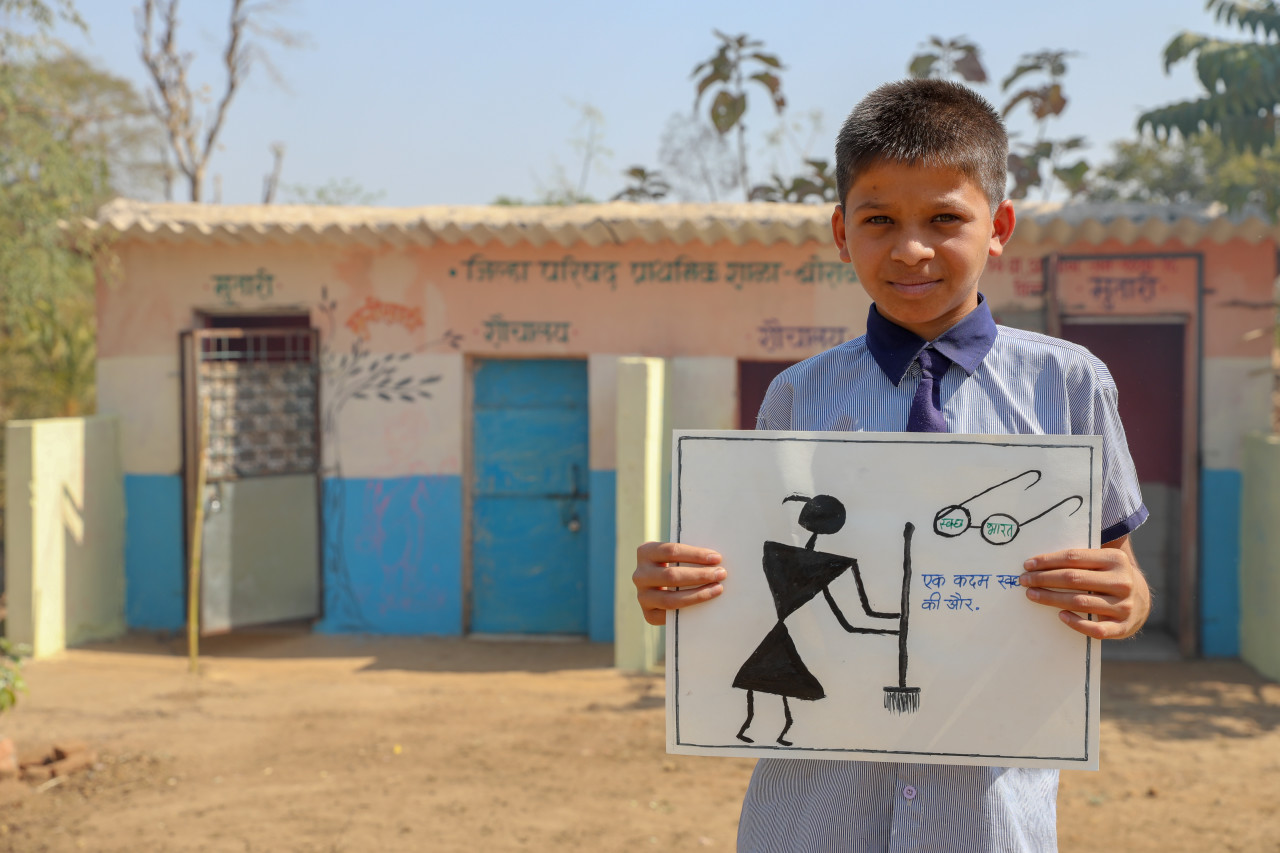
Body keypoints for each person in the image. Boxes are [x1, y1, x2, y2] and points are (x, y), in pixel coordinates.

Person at [633, 78, 1151, 853]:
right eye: (880, 220)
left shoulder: (1069, 383)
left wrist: (1123, 597)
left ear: (999, 226)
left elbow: (1123, 574)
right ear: (842, 233)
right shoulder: (795, 396)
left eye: (945, 218)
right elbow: (735, 577)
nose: (911, 248)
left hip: (982, 816)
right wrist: (677, 590)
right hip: (812, 817)